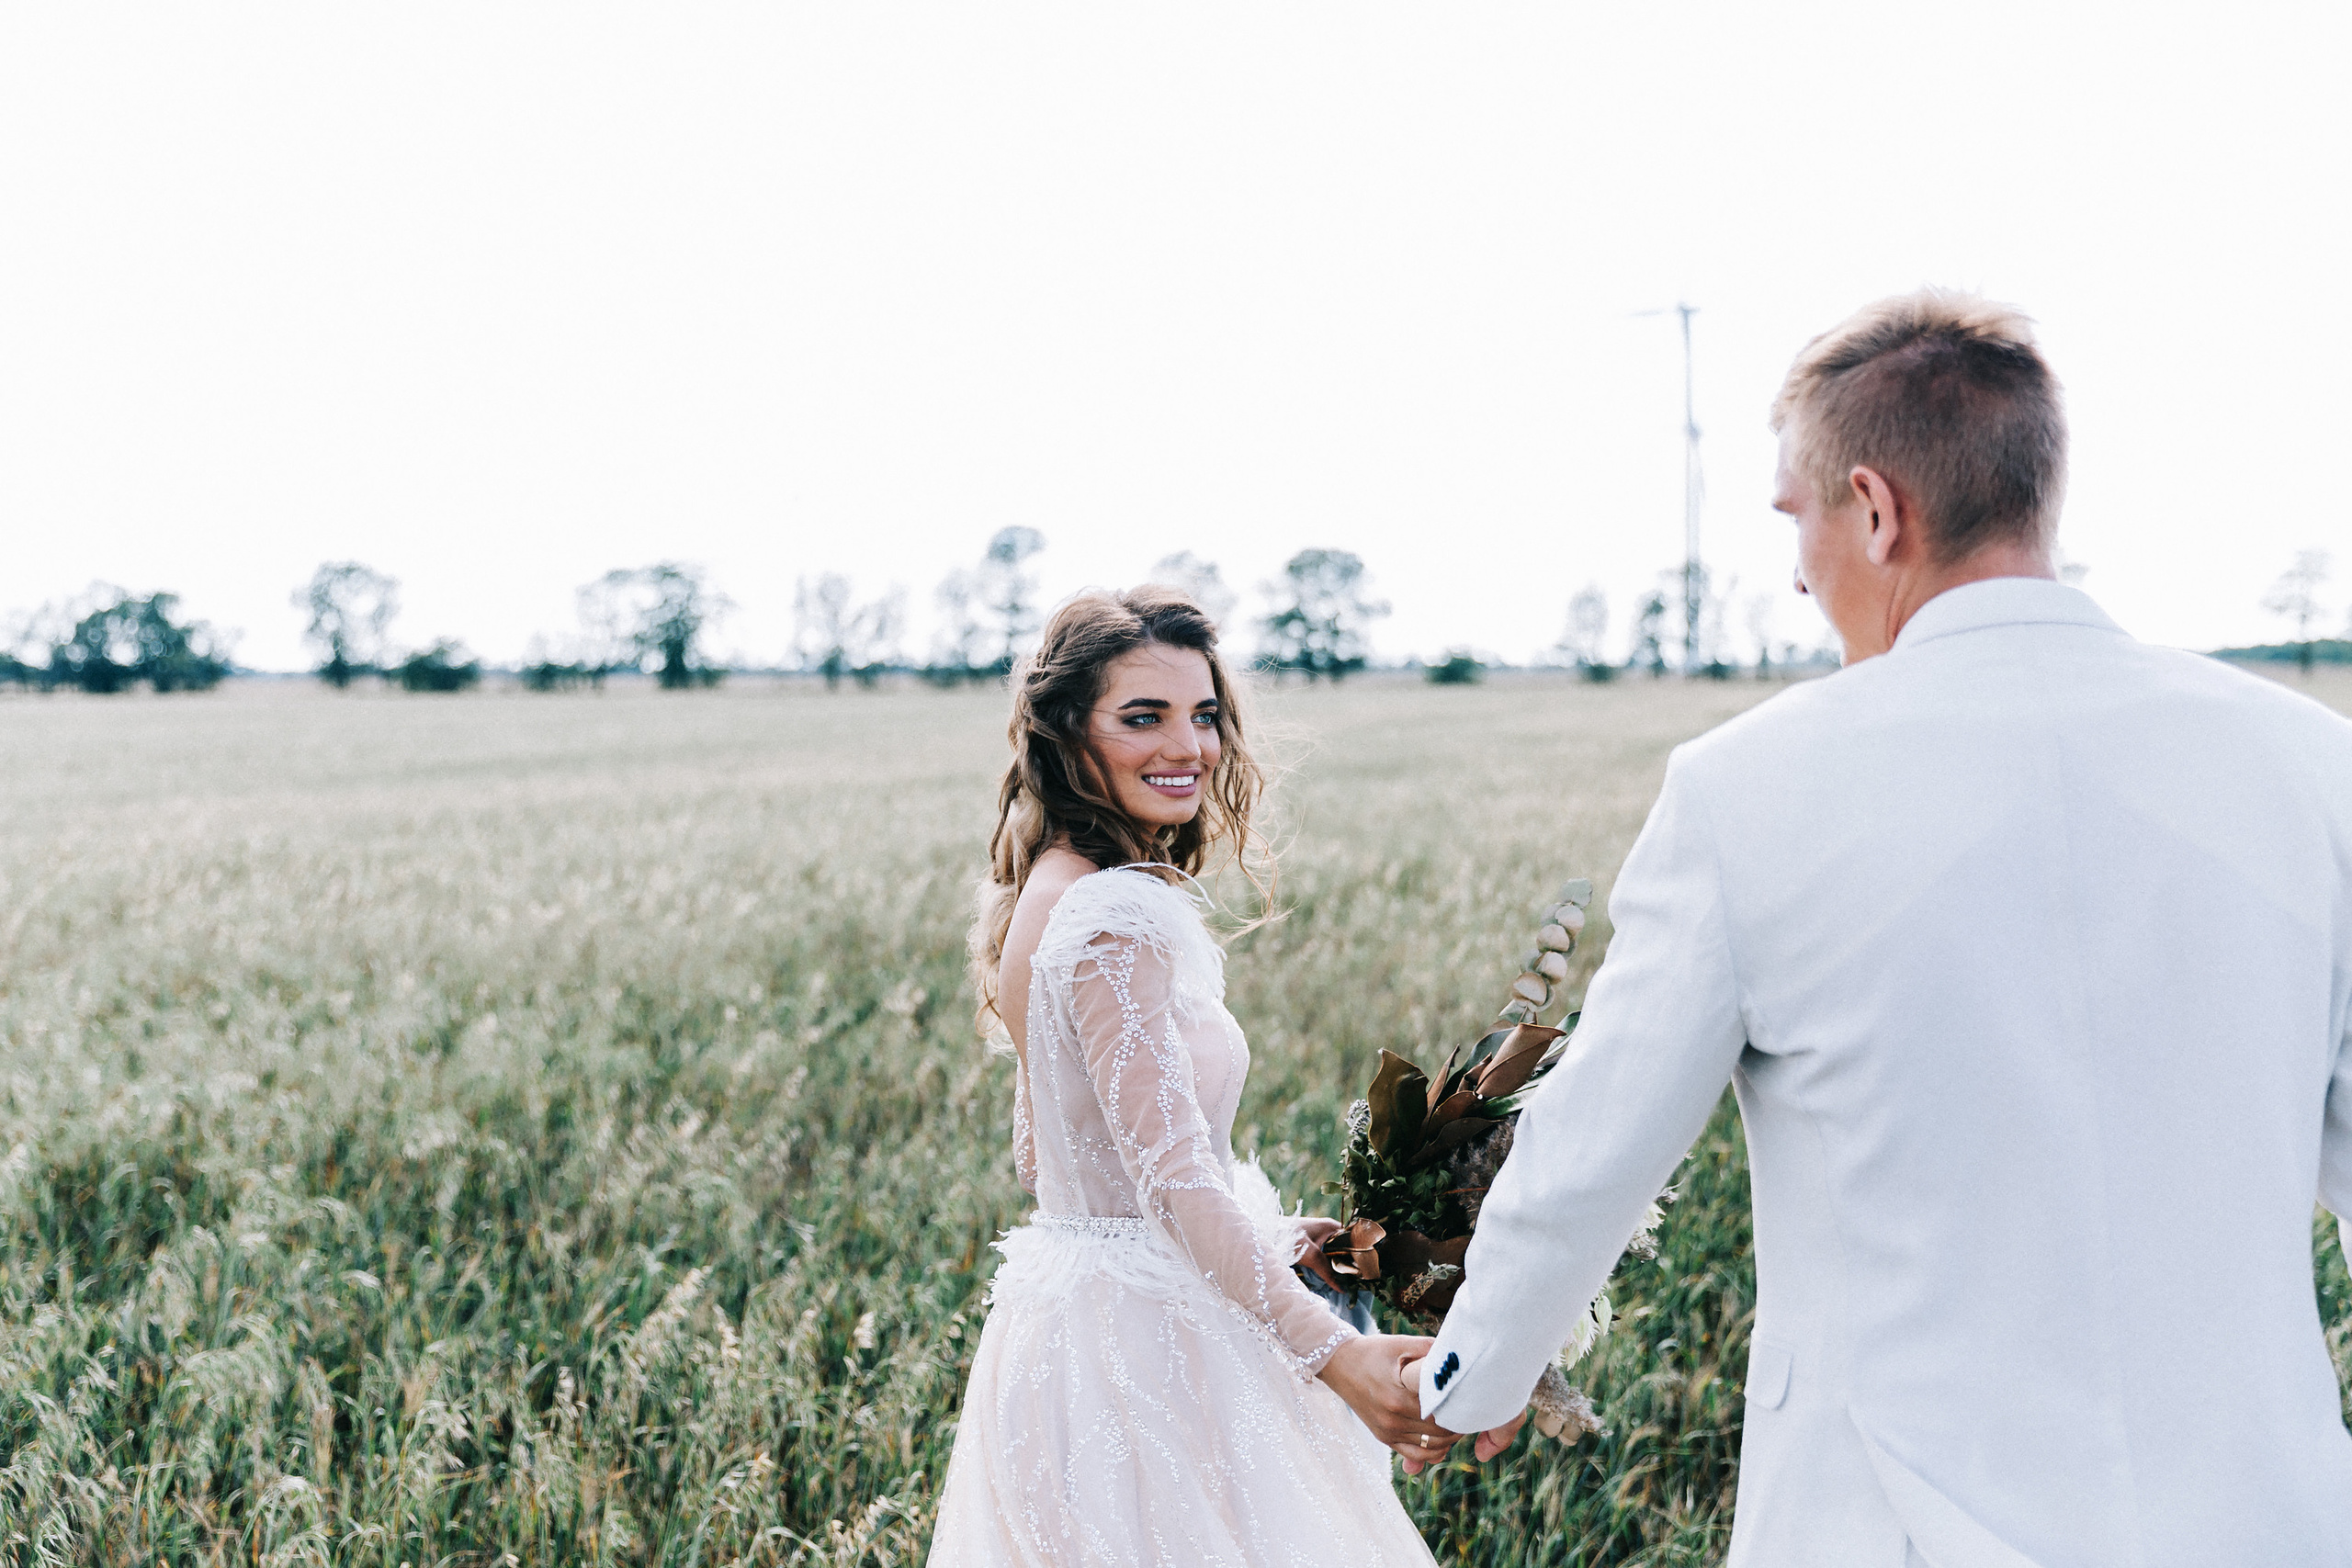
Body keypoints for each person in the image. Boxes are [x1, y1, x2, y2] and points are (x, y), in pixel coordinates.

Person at [1422, 289, 2352, 1564]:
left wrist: (1468, 1376)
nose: (1799, 568)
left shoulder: (1746, 789)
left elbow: (1591, 1153)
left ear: (1876, 506)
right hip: (2270, 1521)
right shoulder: (2313, 766)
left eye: (1795, 519)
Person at [927, 586, 1446, 1567]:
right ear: (1065, 732)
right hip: (1145, 1364)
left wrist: (1272, 1243)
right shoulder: (1115, 916)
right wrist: (1336, 1354)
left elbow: (1059, 1165)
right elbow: (1167, 1185)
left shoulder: (1048, 889)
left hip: (1070, 1337)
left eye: (1203, 714)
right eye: (1142, 717)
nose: (1188, 747)